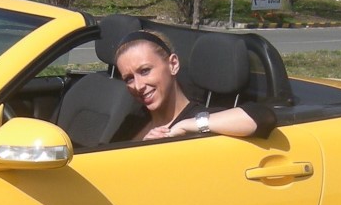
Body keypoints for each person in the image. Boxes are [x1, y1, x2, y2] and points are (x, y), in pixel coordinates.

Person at [113, 30, 276, 141]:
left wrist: (185, 126)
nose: (138, 86)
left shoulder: (203, 119)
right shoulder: (134, 120)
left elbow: (263, 117)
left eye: (145, 71)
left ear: (173, 64)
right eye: (129, 79)